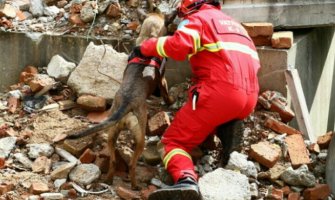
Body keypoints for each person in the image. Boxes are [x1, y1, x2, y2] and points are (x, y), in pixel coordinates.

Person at [132, 0, 261, 199]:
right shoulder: (237, 26)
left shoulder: (198, 19)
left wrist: (146, 47)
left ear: (188, 5)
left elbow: (178, 46)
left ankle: (186, 180)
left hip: (218, 93)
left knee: (173, 142)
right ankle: (226, 130)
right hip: (249, 97)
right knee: (216, 115)